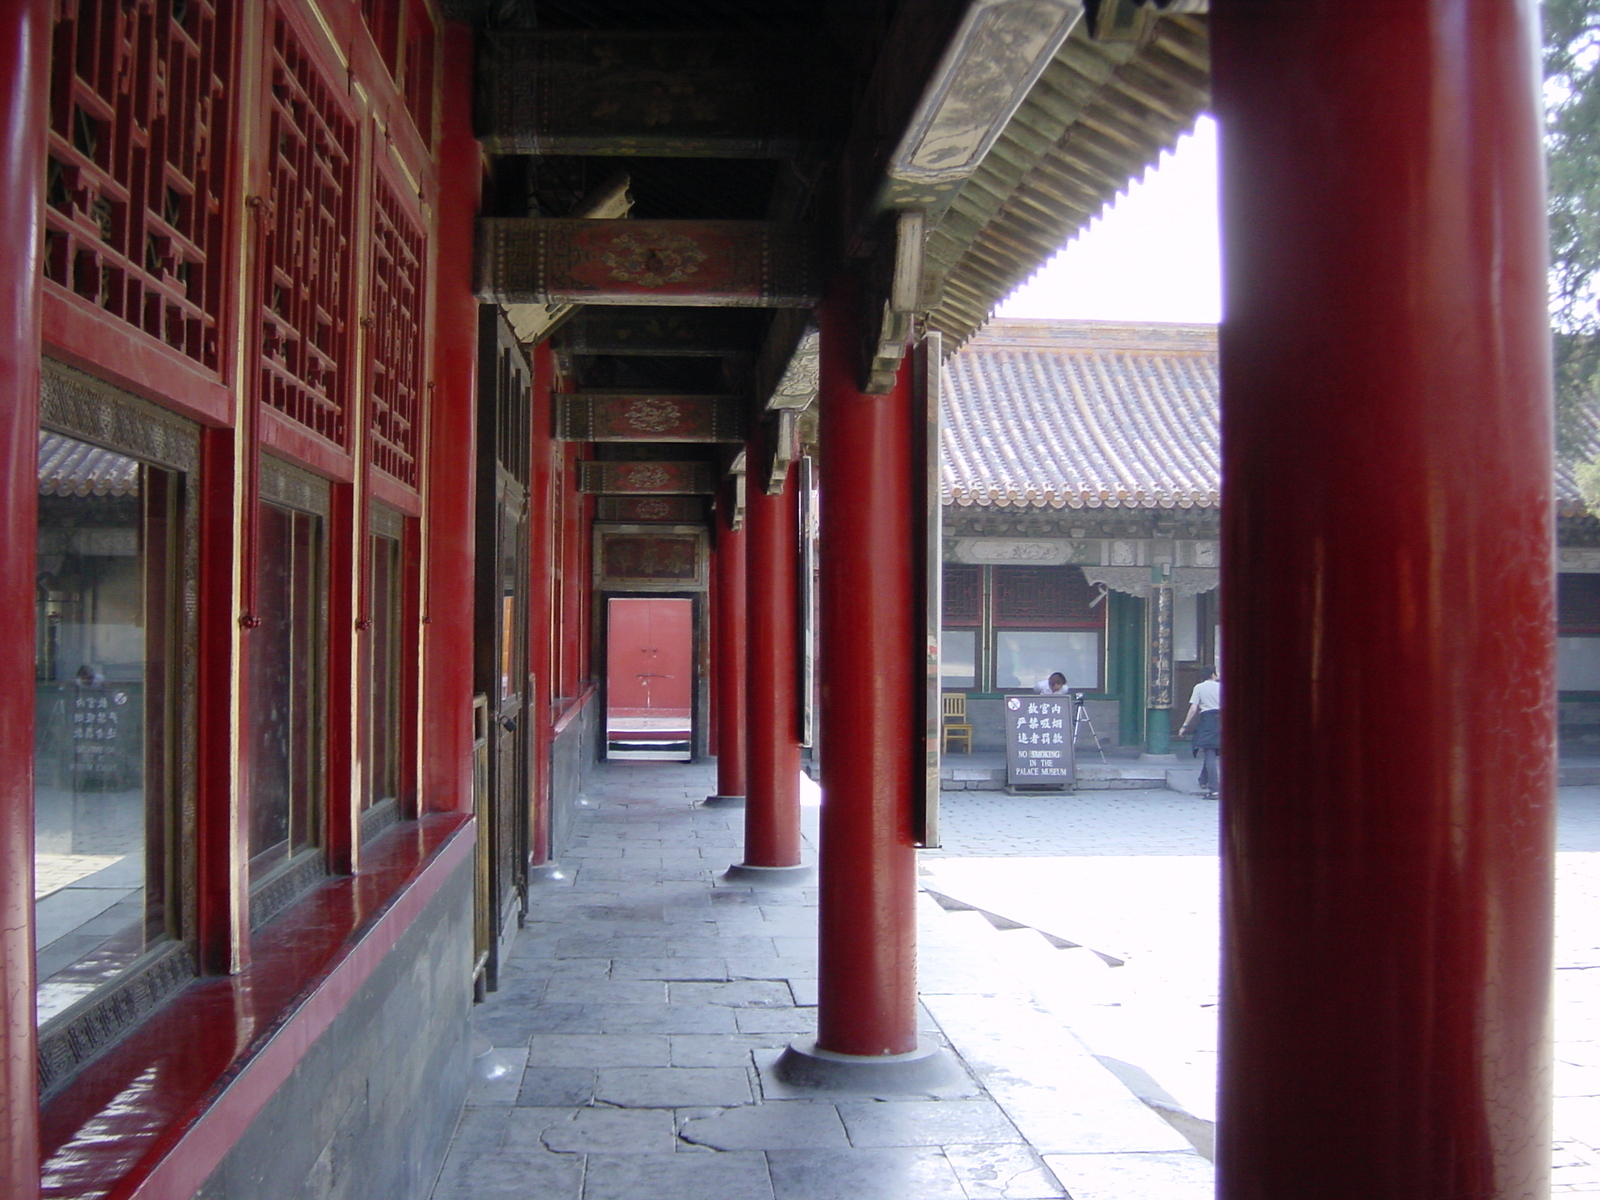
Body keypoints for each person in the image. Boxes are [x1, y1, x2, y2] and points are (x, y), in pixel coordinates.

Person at [1178, 664, 1221, 797]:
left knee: (1209, 751)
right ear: (1213, 674)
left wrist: (1185, 726)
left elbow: (1193, 708)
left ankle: (1214, 789)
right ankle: (1203, 780)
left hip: (1208, 719)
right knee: (1212, 751)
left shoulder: (1199, 687)